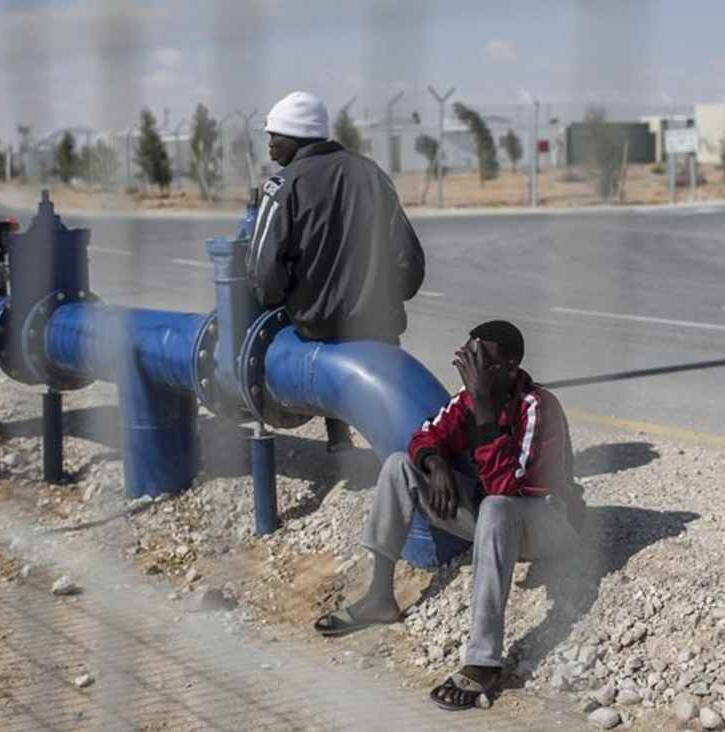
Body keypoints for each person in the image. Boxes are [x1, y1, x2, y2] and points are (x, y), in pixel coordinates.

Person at [312, 320, 584, 712]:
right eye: (468, 358)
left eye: (481, 362)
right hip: (498, 523)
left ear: (509, 369)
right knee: (399, 466)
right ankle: (380, 598)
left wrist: (484, 408)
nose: (470, 370)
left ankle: (484, 661)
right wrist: (435, 462)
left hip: (549, 524)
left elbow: (507, 486)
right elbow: (425, 436)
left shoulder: (538, 406)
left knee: (495, 505)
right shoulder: (468, 400)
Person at [248, 90, 425, 453]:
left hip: (318, 331)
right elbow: (409, 263)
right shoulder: (372, 174)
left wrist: (284, 301)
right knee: (397, 415)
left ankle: (339, 433)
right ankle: (401, 458)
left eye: (274, 135)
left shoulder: (282, 186)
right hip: (379, 327)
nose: (270, 145)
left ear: (295, 136)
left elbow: (264, 276)